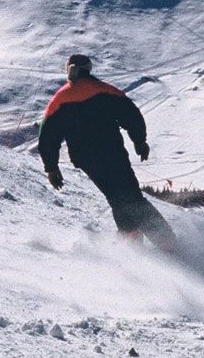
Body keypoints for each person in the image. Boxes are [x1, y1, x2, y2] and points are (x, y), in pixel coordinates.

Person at [38, 53, 175, 249]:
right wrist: (139, 141)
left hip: (87, 161)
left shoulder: (59, 100)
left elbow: (47, 136)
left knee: (115, 197)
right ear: (88, 69)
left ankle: (132, 238)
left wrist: (51, 168)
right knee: (131, 195)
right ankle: (165, 240)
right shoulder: (105, 91)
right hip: (113, 153)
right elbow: (131, 115)